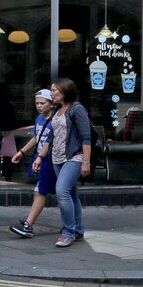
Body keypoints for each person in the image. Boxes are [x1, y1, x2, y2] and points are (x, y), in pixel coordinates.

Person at [9, 88, 56, 238]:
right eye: (37, 103)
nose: (39, 106)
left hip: (50, 159)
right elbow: (36, 137)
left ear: (51, 103)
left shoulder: (56, 119)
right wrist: (21, 152)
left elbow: (52, 141)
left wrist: (41, 156)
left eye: (43, 103)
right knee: (57, 192)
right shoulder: (39, 119)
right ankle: (74, 225)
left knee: (40, 191)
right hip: (41, 158)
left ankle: (28, 225)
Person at [51, 77, 93, 247]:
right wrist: (39, 157)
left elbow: (86, 137)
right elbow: (51, 136)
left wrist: (86, 162)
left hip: (74, 157)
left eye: (55, 90)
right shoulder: (57, 110)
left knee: (61, 192)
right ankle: (78, 230)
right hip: (57, 158)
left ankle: (68, 232)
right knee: (71, 194)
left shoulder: (77, 109)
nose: (52, 93)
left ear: (65, 91)